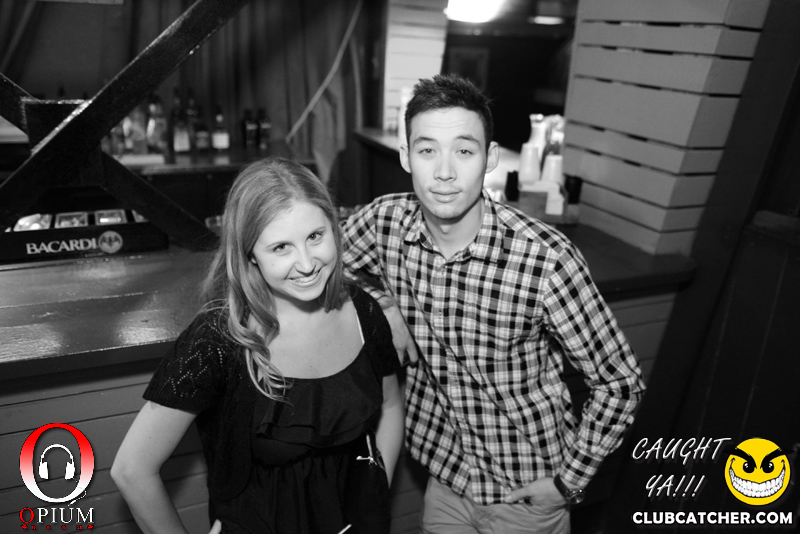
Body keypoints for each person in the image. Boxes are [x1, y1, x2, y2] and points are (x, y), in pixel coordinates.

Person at [341, 73, 645, 533]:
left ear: (491, 158)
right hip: (445, 479)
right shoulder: (386, 223)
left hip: (527, 492)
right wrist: (385, 306)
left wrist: (568, 483)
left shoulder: (545, 259)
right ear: (405, 156)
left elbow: (620, 383)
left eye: (464, 151)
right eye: (427, 150)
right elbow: (326, 262)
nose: (445, 172)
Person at [112, 157, 404, 534]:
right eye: (281, 247)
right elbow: (132, 470)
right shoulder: (217, 341)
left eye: (315, 236)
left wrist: (375, 492)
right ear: (250, 254)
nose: (306, 263)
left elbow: (391, 407)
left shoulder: (364, 312)